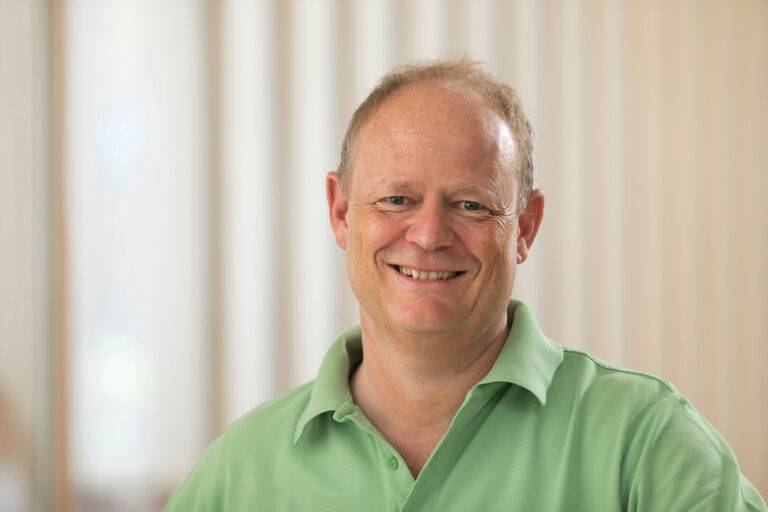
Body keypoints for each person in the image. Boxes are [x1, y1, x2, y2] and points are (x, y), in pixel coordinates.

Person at [164, 59, 766, 511]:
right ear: (341, 213)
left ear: (524, 227)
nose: (429, 235)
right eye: (396, 199)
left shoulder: (648, 445)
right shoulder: (236, 475)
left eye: (471, 205)